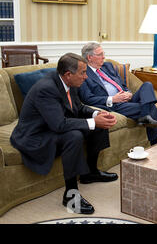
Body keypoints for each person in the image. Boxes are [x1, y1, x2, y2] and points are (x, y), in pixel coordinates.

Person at [10, 53, 118, 214]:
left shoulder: (68, 82)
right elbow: (59, 124)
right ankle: (70, 194)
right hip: (34, 135)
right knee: (74, 135)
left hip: (51, 125)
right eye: (83, 72)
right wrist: (92, 122)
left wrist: (96, 115)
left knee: (98, 124)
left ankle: (91, 173)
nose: (86, 77)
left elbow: (78, 108)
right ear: (68, 74)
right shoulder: (46, 89)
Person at [79, 42, 157, 145]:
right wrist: (113, 99)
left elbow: (123, 84)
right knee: (151, 107)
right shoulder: (83, 73)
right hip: (115, 105)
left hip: (126, 99)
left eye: (104, 53)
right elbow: (87, 99)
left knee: (147, 85)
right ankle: (155, 143)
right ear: (90, 57)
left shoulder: (108, 66)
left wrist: (128, 92)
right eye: (100, 54)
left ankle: (145, 117)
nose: (104, 57)